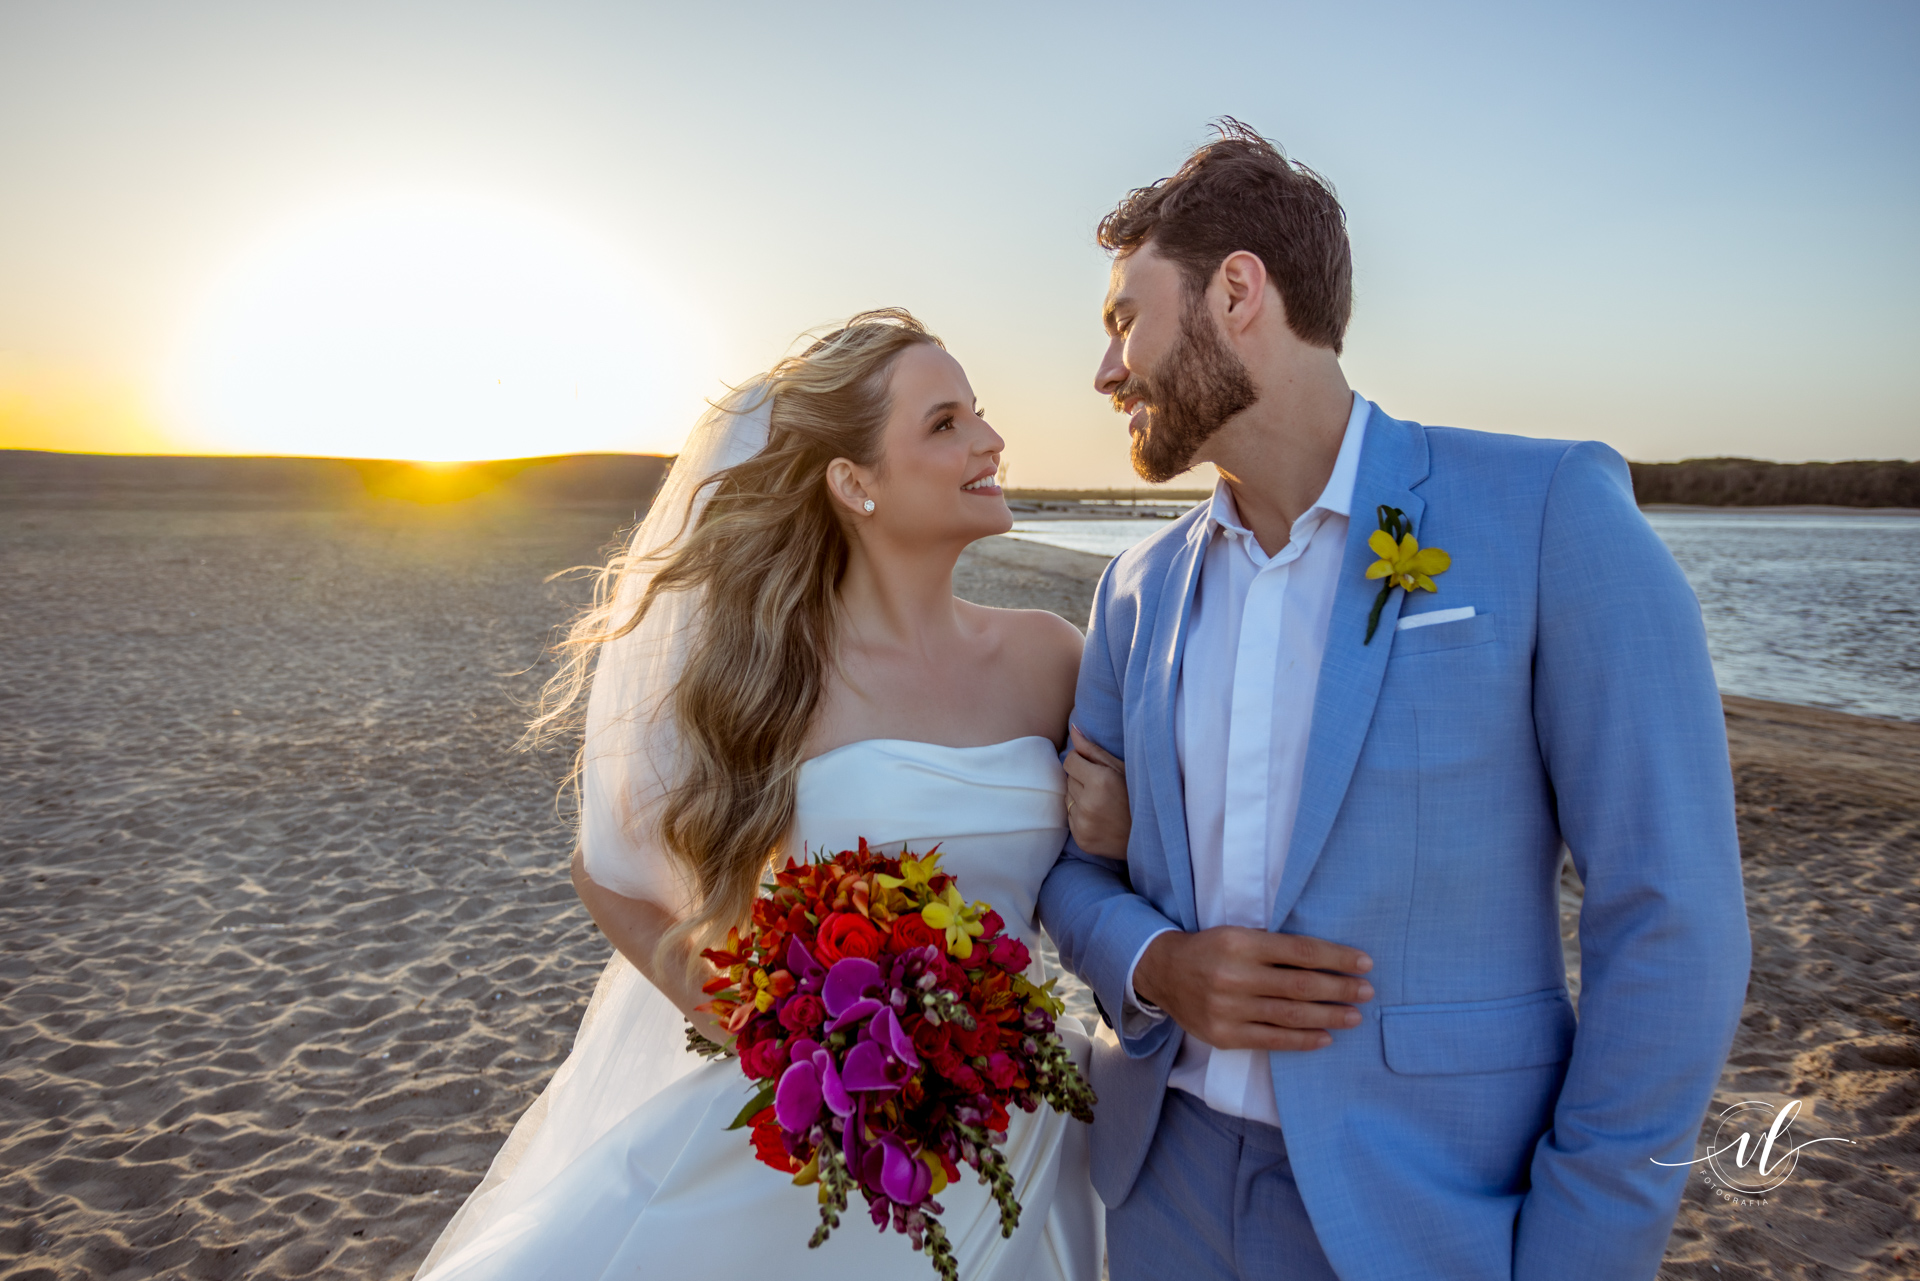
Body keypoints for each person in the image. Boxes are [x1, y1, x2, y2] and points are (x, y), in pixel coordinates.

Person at [1038, 120, 1752, 1281]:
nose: (1106, 369)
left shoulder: (1546, 514)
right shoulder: (1135, 589)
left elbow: (1673, 915)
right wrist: (1160, 963)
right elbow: (1074, 873)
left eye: (1125, 319)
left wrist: (1582, 1250)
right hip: (1158, 1189)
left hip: (1431, 1212)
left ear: (1236, 292)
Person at [415, 310, 1103, 1280]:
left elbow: (1104, 875)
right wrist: (753, 1016)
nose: (990, 441)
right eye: (945, 424)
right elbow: (608, 862)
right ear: (853, 482)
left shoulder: (1051, 656)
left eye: (978, 416)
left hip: (1018, 1122)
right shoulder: (771, 675)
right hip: (827, 1141)